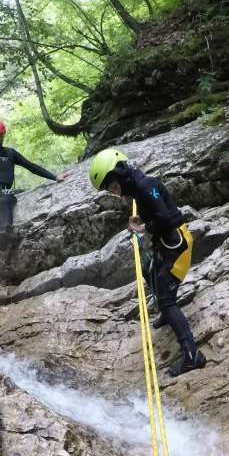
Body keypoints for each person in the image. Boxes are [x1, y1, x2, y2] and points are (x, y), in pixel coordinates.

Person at [88, 148, 208, 377]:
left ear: (121, 173)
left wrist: (142, 228)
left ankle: (193, 355)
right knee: (148, 269)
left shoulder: (144, 186)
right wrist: (141, 219)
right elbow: (156, 210)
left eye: (113, 186)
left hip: (177, 245)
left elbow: (164, 216)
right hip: (168, 243)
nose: (114, 192)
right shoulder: (138, 187)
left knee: (165, 299)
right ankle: (166, 313)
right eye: (110, 189)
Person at [0, 119, 68, 233]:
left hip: (3, 194)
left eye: (0, 136)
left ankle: (4, 233)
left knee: (4, 200)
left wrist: (54, 177)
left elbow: (30, 166)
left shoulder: (10, 153)